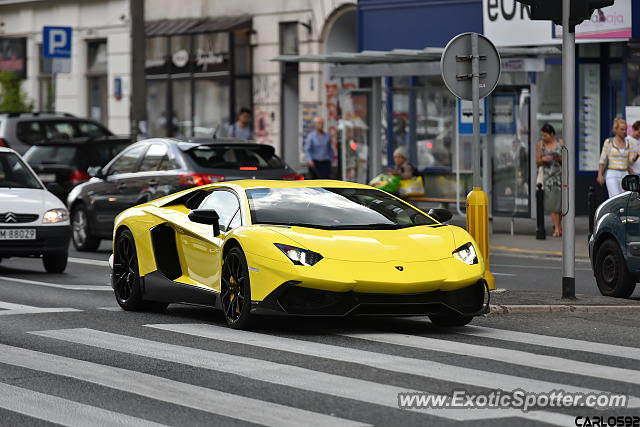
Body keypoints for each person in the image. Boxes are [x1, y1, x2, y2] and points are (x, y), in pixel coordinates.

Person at [536, 123, 563, 237]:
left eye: (545, 135)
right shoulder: (540, 145)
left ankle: (558, 225)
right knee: (552, 204)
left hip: (560, 176)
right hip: (548, 178)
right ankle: (557, 228)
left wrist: (558, 158)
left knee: (561, 204)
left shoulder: (560, 143)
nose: (543, 138)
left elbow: (565, 158)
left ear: (552, 134)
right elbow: (537, 162)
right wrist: (543, 159)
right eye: (542, 135)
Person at [598, 118, 630, 198]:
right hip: (612, 173)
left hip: (625, 173)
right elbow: (602, 159)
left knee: (624, 198)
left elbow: (629, 160)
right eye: (622, 129)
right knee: (615, 197)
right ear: (616, 130)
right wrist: (600, 174)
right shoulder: (609, 142)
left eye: (625, 129)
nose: (624, 132)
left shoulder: (628, 143)